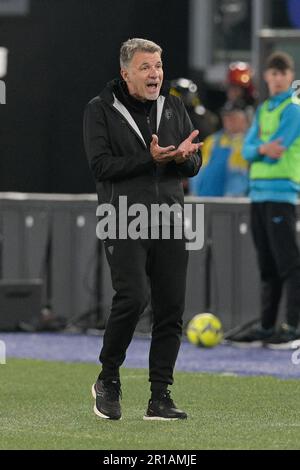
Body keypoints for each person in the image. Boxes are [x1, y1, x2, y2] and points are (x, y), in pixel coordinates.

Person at [83, 38, 202, 420]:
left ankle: (160, 397)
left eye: (158, 66)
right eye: (146, 67)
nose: (155, 74)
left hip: (169, 218)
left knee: (171, 307)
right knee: (133, 298)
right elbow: (101, 167)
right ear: (126, 73)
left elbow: (192, 164)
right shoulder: (100, 109)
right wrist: (148, 159)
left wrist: (185, 159)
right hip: (122, 218)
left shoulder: (174, 106)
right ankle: (109, 379)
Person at [234, 51, 300, 347]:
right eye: (272, 74)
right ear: (266, 77)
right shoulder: (263, 111)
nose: (276, 79)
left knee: (289, 263)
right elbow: (248, 150)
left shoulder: (294, 110)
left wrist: (258, 148)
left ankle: (293, 327)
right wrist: (262, 148)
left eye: (281, 73)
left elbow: (280, 147)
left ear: (290, 76)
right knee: (267, 265)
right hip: (258, 195)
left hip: (281, 193)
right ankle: (266, 326)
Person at [190, 100, 249, 197]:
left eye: (233, 117)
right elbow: (199, 170)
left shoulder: (250, 142)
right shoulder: (212, 141)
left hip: (236, 199)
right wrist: (195, 193)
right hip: (207, 196)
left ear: (244, 120)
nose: (228, 121)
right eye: (225, 117)